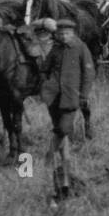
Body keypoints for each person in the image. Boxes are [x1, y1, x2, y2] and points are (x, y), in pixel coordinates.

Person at [41, 17, 95, 200]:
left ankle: (48, 157)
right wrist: (46, 86)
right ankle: (66, 161)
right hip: (53, 96)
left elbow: (89, 73)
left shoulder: (80, 48)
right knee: (60, 131)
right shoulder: (56, 49)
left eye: (66, 33)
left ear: (73, 34)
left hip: (71, 97)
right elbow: (45, 68)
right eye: (60, 33)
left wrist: (84, 95)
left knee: (63, 128)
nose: (63, 36)